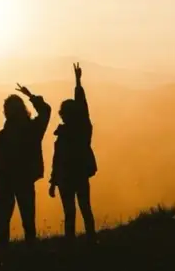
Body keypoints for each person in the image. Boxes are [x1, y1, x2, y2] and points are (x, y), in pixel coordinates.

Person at [0, 83, 51, 250]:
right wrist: (31, 96)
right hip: (25, 179)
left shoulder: (2, 135)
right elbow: (46, 111)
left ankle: (4, 254)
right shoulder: (32, 129)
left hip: (6, 181)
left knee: (4, 221)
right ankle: (31, 253)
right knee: (28, 220)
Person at [48, 63, 97, 245]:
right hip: (78, 175)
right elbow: (83, 107)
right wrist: (77, 82)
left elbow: (56, 160)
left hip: (65, 178)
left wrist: (53, 182)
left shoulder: (66, 134)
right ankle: (91, 240)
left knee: (70, 212)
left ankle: (71, 244)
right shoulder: (83, 130)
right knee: (85, 208)